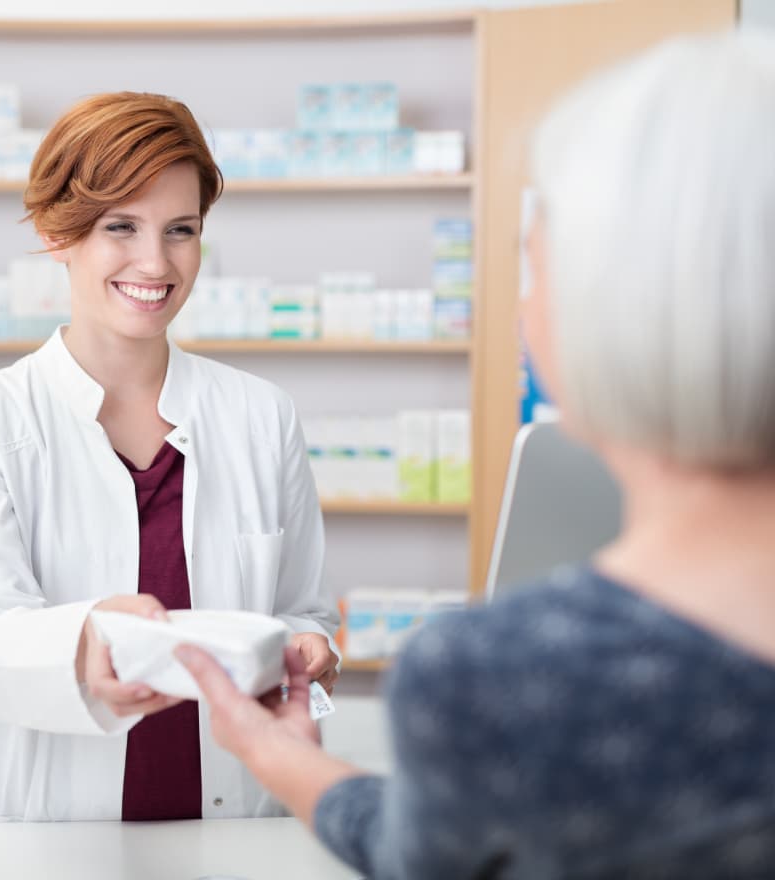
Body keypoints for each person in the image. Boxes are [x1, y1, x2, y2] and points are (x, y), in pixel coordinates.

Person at [179, 30, 775, 878]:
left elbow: (435, 858)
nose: (524, 308)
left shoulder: (510, 677)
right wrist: (282, 757)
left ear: (615, 309)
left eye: (533, 268)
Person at [0, 91, 341, 823]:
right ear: (60, 233)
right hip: (42, 830)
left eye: (180, 230)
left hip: (232, 819)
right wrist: (88, 641)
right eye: (122, 227)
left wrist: (307, 644)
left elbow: (297, 606)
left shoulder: (261, 416)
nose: (156, 262)